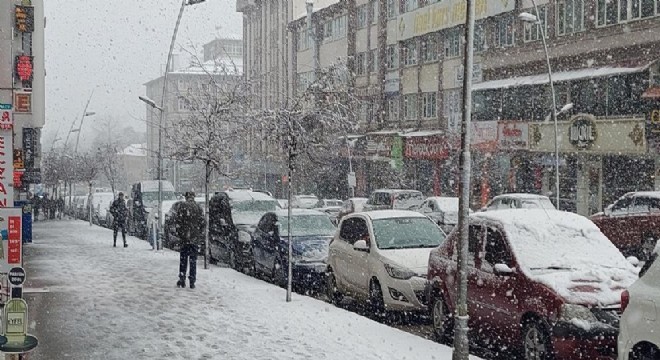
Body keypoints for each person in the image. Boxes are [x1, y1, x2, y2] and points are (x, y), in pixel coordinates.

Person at [175, 191, 205, 289]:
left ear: (186, 197)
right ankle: (192, 281)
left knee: (183, 259)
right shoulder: (198, 208)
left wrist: (181, 233)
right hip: (194, 238)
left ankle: (182, 278)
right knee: (193, 261)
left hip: (184, 238)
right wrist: (198, 233)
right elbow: (202, 222)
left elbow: (178, 221)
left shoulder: (182, 206)